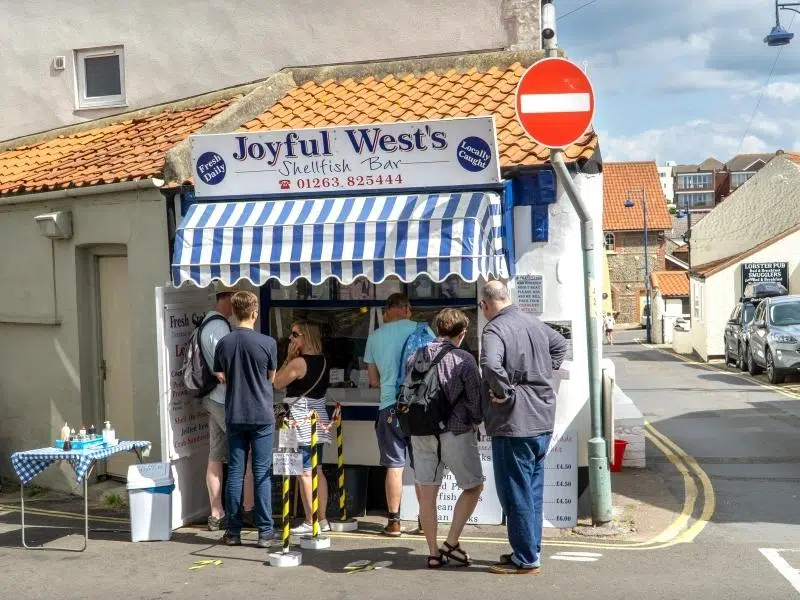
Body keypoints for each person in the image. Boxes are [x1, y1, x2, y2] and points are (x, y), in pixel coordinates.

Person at [479, 280, 568, 575]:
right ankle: (529, 549)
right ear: (508, 297)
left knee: (514, 491)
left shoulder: (494, 329)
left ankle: (526, 557)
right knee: (532, 490)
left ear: (486, 304)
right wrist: (545, 372)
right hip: (542, 417)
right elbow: (560, 344)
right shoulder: (533, 322)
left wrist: (504, 392)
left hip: (514, 421)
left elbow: (491, 365)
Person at [408, 308, 484, 569]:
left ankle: (432, 553)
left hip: (420, 431)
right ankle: (451, 543)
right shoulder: (463, 359)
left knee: (428, 495)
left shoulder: (415, 355)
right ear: (461, 333)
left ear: (437, 328)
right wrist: (476, 421)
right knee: (473, 486)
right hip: (455, 431)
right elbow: (476, 403)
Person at [213, 291, 278, 548]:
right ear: (254, 312)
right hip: (262, 413)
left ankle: (233, 531)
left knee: (236, 473)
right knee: (261, 472)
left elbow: (221, 375)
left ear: (234, 311)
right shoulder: (267, 343)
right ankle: (264, 532)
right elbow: (271, 377)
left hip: (235, 413)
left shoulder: (224, 343)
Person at [364, 293, 433, 537]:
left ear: (387, 311)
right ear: (406, 308)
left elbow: (373, 380)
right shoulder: (423, 332)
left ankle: (393, 522)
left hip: (389, 407)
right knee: (423, 466)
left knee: (394, 466)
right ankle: (426, 522)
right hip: (419, 408)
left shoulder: (374, 337)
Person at [200, 284, 255, 531]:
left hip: (211, 397)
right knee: (244, 454)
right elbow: (228, 368)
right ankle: (247, 509)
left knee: (215, 456)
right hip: (225, 399)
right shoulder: (220, 328)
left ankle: (216, 513)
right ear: (227, 299)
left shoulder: (206, 324)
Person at [273, 320, 332, 534]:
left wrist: (288, 358)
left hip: (299, 419)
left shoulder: (298, 363)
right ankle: (322, 518)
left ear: (306, 337)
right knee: (317, 471)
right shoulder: (324, 361)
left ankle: (310, 520)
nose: (291, 338)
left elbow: (277, 383)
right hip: (319, 419)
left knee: (304, 472)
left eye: (295, 334)